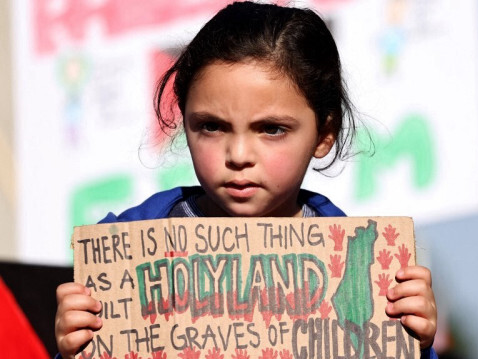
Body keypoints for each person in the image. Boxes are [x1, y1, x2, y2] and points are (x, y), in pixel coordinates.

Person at [54, 2, 438, 358]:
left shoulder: (361, 265)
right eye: (211, 126)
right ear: (183, 123)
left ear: (324, 135)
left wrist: (417, 344)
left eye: (271, 129)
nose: (238, 155)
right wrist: (73, 349)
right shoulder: (128, 247)